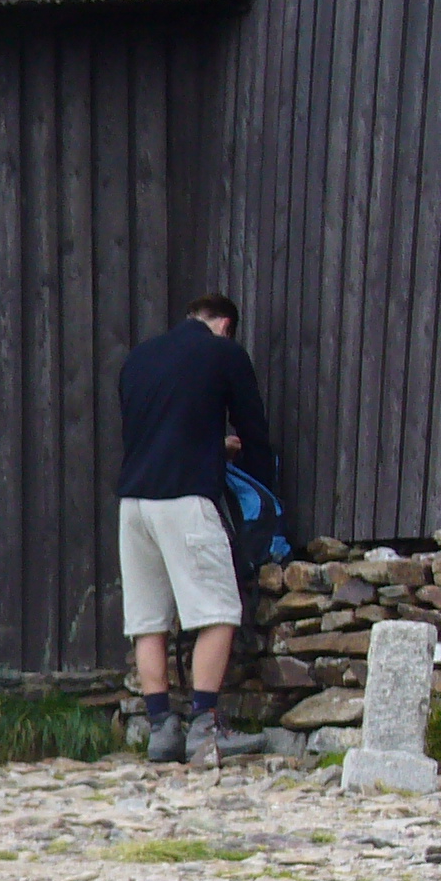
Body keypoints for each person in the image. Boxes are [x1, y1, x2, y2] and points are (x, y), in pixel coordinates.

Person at [118, 293, 276, 764]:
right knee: (219, 612)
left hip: (134, 505)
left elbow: (164, 428)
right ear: (225, 325)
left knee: (148, 620)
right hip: (186, 501)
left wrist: (211, 444)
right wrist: (263, 484)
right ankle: (206, 728)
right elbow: (254, 429)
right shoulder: (223, 353)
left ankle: (162, 729)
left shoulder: (139, 358)